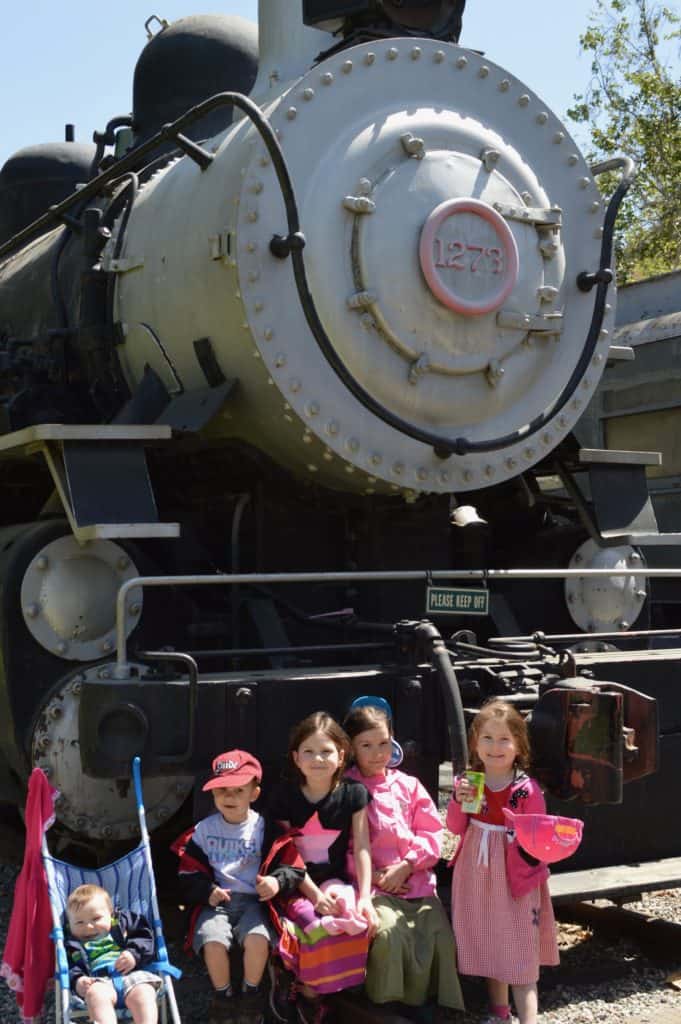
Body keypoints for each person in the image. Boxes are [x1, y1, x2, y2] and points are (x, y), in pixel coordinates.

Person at [343, 700, 465, 1017]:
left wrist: (409, 864)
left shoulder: (408, 785)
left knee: (439, 934)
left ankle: (426, 998)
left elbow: (432, 832)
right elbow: (345, 846)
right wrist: (380, 877)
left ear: (393, 739)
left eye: (383, 743)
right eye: (366, 745)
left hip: (417, 879)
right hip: (375, 886)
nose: (377, 752)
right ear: (352, 748)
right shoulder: (348, 789)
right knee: (388, 935)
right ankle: (387, 1000)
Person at [446, 699, 559, 1024]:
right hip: (476, 871)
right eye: (487, 738)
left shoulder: (526, 790)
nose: (495, 747)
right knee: (490, 940)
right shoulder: (470, 782)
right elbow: (455, 827)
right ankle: (499, 1012)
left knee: (520, 946)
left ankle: (529, 1018)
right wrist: (458, 799)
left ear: (518, 745)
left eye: (504, 739)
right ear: (476, 743)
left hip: (513, 873)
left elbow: (536, 838)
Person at [264, 711, 378, 1024]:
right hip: (295, 883)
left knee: (351, 914)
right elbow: (286, 852)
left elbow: (362, 847)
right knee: (312, 923)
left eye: (326, 751)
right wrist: (313, 895)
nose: (318, 759)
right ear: (296, 758)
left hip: (334, 880)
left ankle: (335, 984)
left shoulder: (354, 794)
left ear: (341, 756)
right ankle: (307, 990)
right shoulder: (284, 796)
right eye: (309, 752)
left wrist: (365, 896)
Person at [173, 749, 299, 1024]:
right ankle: (223, 996)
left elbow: (293, 866)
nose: (229, 797)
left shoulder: (266, 830)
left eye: (238, 790)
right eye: (222, 791)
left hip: (254, 901)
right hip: (218, 900)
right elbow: (187, 872)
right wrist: (206, 891)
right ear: (213, 795)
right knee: (213, 940)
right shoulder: (204, 830)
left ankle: (251, 994)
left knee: (258, 938)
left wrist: (276, 882)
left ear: (254, 794)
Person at [65, 883, 161, 1024]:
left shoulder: (123, 923)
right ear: (69, 925)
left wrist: (133, 954)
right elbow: (68, 965)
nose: (89, 926)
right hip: (98, 981)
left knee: (145, 993)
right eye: (79, 922)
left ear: (110, 914)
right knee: (94, 995)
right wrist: (77, 979)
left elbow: (145, 935)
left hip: (132, 975)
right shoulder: (72, 944)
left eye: (96, 919)